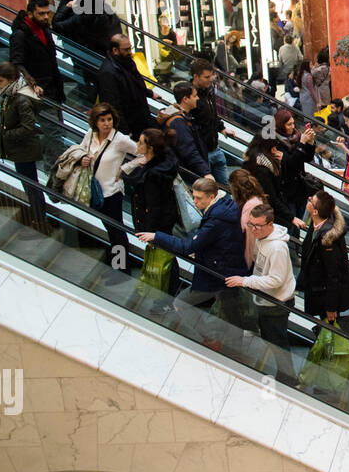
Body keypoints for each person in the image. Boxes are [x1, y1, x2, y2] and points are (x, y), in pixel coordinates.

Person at [137, 177, 251, 351]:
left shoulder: (217, 220)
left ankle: (212, 340)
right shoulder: (225, 206)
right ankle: (232, 348)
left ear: (212, 196)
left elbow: (188, 246)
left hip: (217, 273)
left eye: (199, 198)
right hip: (227, 269)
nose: (195, 201)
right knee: (230, 312)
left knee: (181, 303)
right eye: (194, 196)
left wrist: (157, 236)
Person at [225, 203, 298, 385]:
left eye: (258, 225)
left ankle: (289, 378)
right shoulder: (262, 238)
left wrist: (245, 281)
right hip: (266, 300)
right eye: (251, 224)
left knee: (277, 341)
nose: (253, 229)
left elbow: (276, 280)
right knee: (271, 338)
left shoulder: (277, 248)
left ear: (270, 224)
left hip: (276, 303)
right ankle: (287, 375)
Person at [77, 103, 140, 270]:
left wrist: (125, 168)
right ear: (95, 122)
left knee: (116, 230)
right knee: (110, 228)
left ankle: (121, 266)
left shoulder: (120, 140)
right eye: (102, 120)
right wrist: (81, 159)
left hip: (112, 192)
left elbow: (144, 154)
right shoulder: (90, 134)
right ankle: (117, 263)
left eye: (109, 119)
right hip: (93, 190)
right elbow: (80, 150)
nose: (106, 123)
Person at [0, 62, 47, 227]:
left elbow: (27, 126)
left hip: (24, 149)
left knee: (31, 185)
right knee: (31, 184)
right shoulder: (12, 94)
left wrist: (7, 135)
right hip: (21, 148)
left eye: (0, 81)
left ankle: (39, 220)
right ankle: (38, 217)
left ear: (11, 80)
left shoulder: (20, 98)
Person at [295, 190, 349, 327]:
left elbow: (333, 275)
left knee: (329, 334)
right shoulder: (318, 223)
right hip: (317, 289)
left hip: (324, 295)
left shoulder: (328, 239)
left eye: (311, 200)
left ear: (315, 212)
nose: (308, 198)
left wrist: (331, 307)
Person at [9, 0, 66, 106]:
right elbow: (16, 63)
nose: (46, 17)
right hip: (37, 90)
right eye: (41, 13)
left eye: (47, 13)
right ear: (30, 14)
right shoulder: (20, 35)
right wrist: (32, 84)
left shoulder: (44, 29)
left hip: (52, 87)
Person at [94, 34, 153, 137]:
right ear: (115, 50)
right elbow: (112, 106)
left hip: (140, 117)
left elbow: (137, 83)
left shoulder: (127, 62)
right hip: (130, 124)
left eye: (130, 48)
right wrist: (125, 132)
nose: (130, 52)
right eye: (126, 49)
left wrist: (149, 93)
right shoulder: (107, 73)